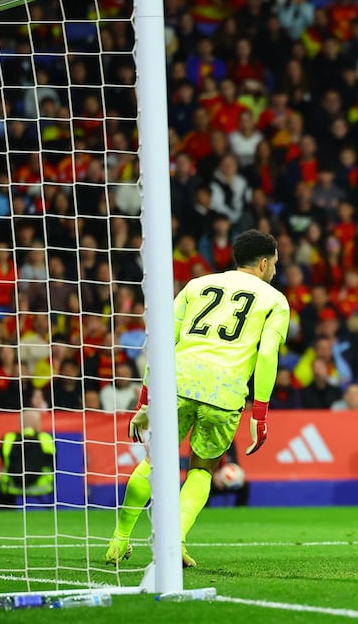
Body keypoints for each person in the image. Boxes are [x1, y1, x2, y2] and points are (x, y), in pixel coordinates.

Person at [105, 230, 289, 567]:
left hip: (177, 382)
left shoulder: (196, 286)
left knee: (153, 463)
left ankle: (119, 539)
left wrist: (145, 400)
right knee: (202, 470)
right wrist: (260, 414)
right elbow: (266, 356)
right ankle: (174, 544)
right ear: (264, 263)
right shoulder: (275, 300)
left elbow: (162, 340)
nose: (275, 271)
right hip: (224, 392)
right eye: (275, 264)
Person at [0, 408, 56, 507]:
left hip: (13, 486)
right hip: (42, 486)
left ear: (20, 423)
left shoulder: (8, 439)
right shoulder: (46, 439)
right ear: (37, 423)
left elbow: (4, 461)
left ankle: (4, 514)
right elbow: (54, 463)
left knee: (3, 478)